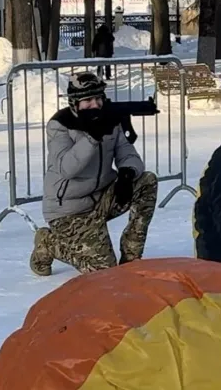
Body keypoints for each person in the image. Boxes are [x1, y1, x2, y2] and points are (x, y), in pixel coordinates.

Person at [30, 72, 158, 276]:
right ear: (75, 103)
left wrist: (127, 174)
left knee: (147, 181)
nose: (95, 104)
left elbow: (128, 153)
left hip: (101, 198)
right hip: (69, 210)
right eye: (88, 100)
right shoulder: (60, 125)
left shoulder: (110, 120)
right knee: (102, 271)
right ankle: (48, 243)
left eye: (99, 98)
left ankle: (131, 256)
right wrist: (92, 137)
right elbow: (67, 168)